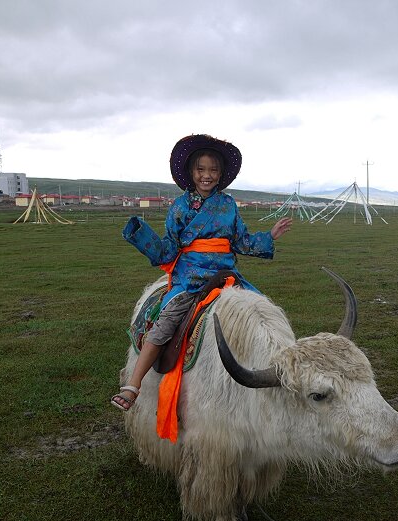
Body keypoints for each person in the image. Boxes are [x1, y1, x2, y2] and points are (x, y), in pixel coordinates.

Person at [111, 133, 292, 411]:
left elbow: (241, 241)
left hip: (225, 275)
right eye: (201, 169)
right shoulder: (180, 207)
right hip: (190, 278)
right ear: (191, 172)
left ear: (220, 175)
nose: (207, 175)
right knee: (165, 323)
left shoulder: (228, 205)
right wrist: (141, 237)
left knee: (262, 315)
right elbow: (168, 250)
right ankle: (133, 384)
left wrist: (270, 236)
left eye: (213, 170)